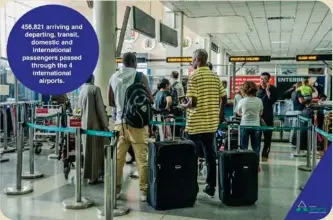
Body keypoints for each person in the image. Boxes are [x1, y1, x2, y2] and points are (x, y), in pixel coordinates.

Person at [108, 52, 153, 202]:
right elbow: (150, 100)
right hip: (138, 125)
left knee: (118, 159)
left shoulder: (113, 77)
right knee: (141, 159)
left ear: (122, 62)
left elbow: (111, 102)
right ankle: (144, 192)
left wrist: (122, 105)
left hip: (120, 124)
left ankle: (115, 190)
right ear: (134, 62)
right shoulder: (141, 77)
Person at [181, 49, 226, 198]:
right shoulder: (215, 76)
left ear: (198, 59)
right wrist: (219, 115)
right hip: (211, 123)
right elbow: (223, 97)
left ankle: (192, 188)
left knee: (191, 157)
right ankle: (211, 186)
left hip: (195, 124)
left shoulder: (194, 77)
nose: (191, 62)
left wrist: (184, 105)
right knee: (211, 155)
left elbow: (192, 102)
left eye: (192, 59)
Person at [78, 74, 109, 184]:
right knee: (96, 151)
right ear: (92, 79)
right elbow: (100, 109)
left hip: (83, 126)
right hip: (95, 126)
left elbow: (77, 110)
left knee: (87, 151)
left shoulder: (81, 91)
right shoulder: (95, 89)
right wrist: (105, 124)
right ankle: (95, 176)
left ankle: (87, 175)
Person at [237, 81, 263, 171]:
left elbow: (239, 113)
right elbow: (261, 113)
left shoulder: (242, 101)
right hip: (256, 126)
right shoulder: (259, 100)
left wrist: (244, 114)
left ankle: (244, 165)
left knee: (243, 147)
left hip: (244, 125)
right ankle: (256, 166)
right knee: (256, 147)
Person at [257, 72, 277, 162]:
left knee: (267, 138)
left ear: (268, 80)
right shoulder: (256, 89)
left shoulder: (273, 89)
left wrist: (267, 90)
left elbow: (272, 101)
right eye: (261, 78)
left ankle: (265, 155)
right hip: (257, 117)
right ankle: (256, 156)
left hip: (268, 116)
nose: (262, 80)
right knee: (256, 137)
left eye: (264, 79)